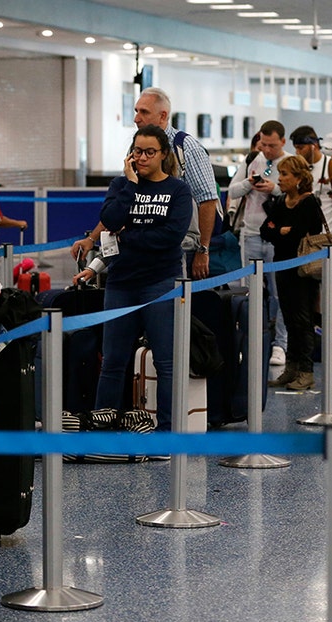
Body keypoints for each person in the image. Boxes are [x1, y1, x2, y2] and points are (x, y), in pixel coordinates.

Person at [71, 125, 191, 431]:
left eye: (150, 152)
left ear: (163, 154)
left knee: (166, 362)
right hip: (121, 283)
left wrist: (129, 237)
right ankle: (103, 430)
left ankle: (167, 432)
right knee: (112, 362)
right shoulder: (122, 185)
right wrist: (130, 185)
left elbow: (170, 237)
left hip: (161, 282)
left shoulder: (177, 190)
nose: (142, 157)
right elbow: (110, 221)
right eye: (137, 151)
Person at [71, 87, 219, 281]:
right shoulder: (135, 150)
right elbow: (123, 203)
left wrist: (203, 250)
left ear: (163, 115)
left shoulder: (187, 148)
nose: (136, 118)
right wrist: (93, 239)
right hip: (136, 257)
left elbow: (207, 200)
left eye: (144, 112)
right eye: (136, 111)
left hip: (178, 252)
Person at [227, 120, 289, 366]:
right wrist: (249, 184)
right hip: (251, 233)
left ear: (283, 142)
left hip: (278, 239)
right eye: (263, 144)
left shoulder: (291, 163)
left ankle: (280, 344)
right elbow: (232, 191)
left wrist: (274, 189)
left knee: (279, 294)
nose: (267, 149)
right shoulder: (254, 159)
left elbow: (298, 197)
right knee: (249, 291)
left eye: (272, 145)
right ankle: (250, 339)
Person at [260, 155, 325, 391]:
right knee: (288, 318)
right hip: (282, 267)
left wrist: (283, 231)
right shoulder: (280, 202)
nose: (280, 179)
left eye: (285, 174)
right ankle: (292, 368)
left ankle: (306, 371)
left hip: (303, 270)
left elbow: (308, 231)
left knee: (303, 320)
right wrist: (282, 232)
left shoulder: (309, 202)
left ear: (298, 178)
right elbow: (265, 230)